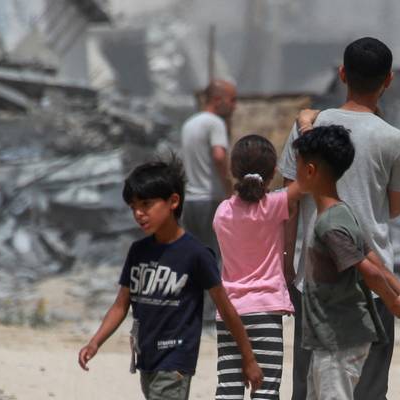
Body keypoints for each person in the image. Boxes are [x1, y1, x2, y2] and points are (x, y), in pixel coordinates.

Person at [283, 37, 400, 399]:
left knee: (311, 385)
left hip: (317, 280)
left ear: (342, 74)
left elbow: (288, 202)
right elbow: (397, 206)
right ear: (388, 80)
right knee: (368, 387)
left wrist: (286, 264)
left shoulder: (310, 128)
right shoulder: (394, 138)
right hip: (375, 280)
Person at [77, 157, 264, 399]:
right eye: (133, 206)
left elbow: (225, 308)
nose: (138, 213)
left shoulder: (196, 254)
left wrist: (248, 358)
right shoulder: (138, 251)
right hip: (147, 359)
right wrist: (95, 342)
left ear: (173, 201)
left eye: (146, 204)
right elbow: (120, 305)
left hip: (175, 360)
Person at [290, 125, 400, 399]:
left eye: (297, 165)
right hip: (330, 339)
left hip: (337, 340)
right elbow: (377, 261)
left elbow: (369, 270)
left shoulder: (330, 225)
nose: (294, 172)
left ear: (310, 171)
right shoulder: (343, 212)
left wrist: (396, 305)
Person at [212, 135, 306, 400]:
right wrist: (307, 130)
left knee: (228, 388)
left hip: (230, 313)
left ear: (233, 171)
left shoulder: (222, 212)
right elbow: (311, 180)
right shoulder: (276, 205)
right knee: (266, 390)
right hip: (266, 310)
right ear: (273, 171)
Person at [180, 79, 237, 322]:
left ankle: (191, 310)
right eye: (232, 100)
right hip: (210, 199)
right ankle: (212, 315)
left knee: (193, 257)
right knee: (215, 258)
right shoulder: (215, 123)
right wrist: (229, 187)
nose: (234, 106)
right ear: (218, 99)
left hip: (190, 200)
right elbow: (218, 154)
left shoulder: (189, 124)